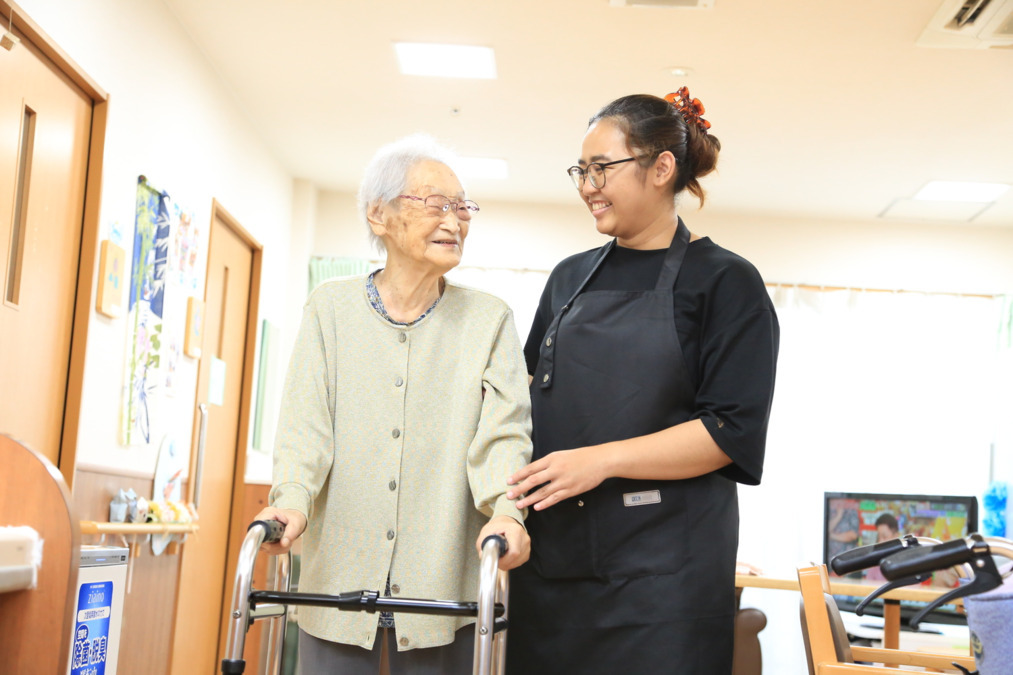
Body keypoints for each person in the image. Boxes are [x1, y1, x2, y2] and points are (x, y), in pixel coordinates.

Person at [504, 89, 779, 674]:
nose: (586, 184)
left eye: (602, 167)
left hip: (664, 584)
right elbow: (525, 398)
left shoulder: (725, 282)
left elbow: (729, 431)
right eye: (581, 169)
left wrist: (599, 460)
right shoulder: (568, 277)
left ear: (661, 168)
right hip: (554, 569)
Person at [254, 134, 532, 675]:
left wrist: (507, 511)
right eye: (435, 203)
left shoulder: (489, 320)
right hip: (337, 574)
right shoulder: (329, 309)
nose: (454, 220)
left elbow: (504, 434)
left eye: (462, 206)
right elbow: (305, 425)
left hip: (441, 582)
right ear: (379, 215)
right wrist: (291, 499)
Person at [864, 513, 900, 582]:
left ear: (896, 536)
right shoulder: (875, 564)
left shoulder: (906, 563)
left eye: (884, 537)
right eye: (879, 537)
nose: (880, 541)